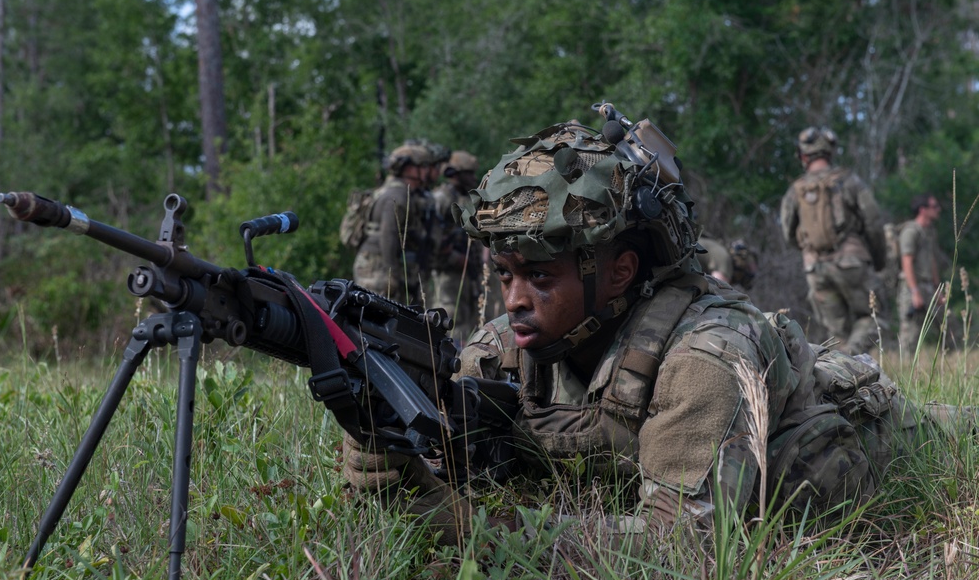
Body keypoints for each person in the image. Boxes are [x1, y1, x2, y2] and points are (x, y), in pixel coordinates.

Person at [343, 115, 954, 541]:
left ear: (619, 273)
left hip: (886, 431)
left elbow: (682, 549)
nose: (515, 300)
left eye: (540, 277)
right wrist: (393, 453)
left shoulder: (705, 359)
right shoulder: (504, 352)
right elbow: (441, 477)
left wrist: (478, 530)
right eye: (504, 275)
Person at [780, 126, 888, 355]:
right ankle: (850, 357)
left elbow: (788, 234)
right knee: (873, 318)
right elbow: (873, 222)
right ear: (830, 154)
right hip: (851, 262)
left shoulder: (795, 190)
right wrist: (879, 261)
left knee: (837, 332)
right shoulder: (849, 182)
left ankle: (843, 377)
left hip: (816, 270)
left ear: (803, 157)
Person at [352, 141, 435, 306]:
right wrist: (394, 275)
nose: (427, 172)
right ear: (409, 169)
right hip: (379, 271)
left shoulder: (390, 190)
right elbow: (388, 237)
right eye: (423, 166)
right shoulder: (398, 195)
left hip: (376, 266)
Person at [430, 150, 485, 342]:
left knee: (473, 325)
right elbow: (431, 244)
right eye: (468, 173)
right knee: (451, 325)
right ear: (455, 174)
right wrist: (456, 259)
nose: (473, 177)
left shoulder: (468, 198)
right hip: (448, 277)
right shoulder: (440, 198)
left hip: (469, 275)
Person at [897, 193, 944, 354]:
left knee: (948, 327)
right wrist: (914, 291)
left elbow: (932, 262)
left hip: (929, 286)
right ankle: (906, 370)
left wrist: (937, 288)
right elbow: (907, 262)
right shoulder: (911, 231)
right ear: (923, 210)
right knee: (910, 333)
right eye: (934, 206)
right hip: (913, 287)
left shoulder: (929, 232)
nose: (938, 210)